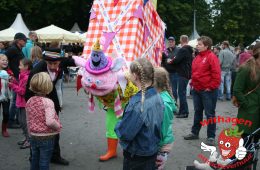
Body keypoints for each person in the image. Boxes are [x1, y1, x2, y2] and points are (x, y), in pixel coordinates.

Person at [25, 51, 75, 165]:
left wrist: (57, 105)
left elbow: (75, 60)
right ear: (45, 61)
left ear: (60, 62)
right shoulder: (36, 71)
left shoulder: (61, 64)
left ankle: (55, 156)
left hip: (51, 99)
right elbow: (28, 91)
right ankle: (34, 157)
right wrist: (34, 106)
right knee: (36, 131)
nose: (53, 66)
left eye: (55, 64)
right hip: (36, 99)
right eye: (50, 64)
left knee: (55, 133)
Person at [115, 58, 164, 170]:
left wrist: (118, 124)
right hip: (151, 149)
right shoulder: (156, 94)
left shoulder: (137, 103)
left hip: (137, 155)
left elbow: (125, 133)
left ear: (135, 75)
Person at [184, 36, 221, 146]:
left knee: (210, 114)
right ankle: (195, 133)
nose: (197, 46)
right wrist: (192, 84)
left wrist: (210, 87)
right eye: (198, 44)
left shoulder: (211, 57)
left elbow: (216, 75)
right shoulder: (197, 57)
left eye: (200, 44)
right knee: (197, 112)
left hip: (208, 91)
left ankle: (211, 136)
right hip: (197, 89)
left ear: (206, 46)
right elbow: (195, 72)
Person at [26, 72, 62, 170]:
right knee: (44, 161)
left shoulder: (29, 101)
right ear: (48, 86)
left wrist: (30, 133)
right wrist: (58, 126)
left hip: (34, 135)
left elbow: (28, 119)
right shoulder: (48, 102)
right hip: (46, 137)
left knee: (34, 159)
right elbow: (50, 121)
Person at [233, 42, 260, 146]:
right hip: (249, 111)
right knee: (245, 140)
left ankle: (251, 160)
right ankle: (242, 161)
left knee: (256, 142)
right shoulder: (246, 68)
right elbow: (237, 89)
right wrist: (246, 104)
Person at [154, 67, 177, 170]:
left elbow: (162, 127)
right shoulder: (161, 96)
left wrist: (156, 143)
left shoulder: (163, 103)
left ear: (154, 82)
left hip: (162, 144)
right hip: (162, 142)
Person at [9, 58, 32, 149]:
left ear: (26, 67)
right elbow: (20, 86)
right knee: (22, 122)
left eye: (20, 65)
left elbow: (23, 91)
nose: (19, 67)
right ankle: (27, 138)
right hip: (20, 103)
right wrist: (14, 81)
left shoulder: (26, 77)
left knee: (24, 122)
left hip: (24, 103)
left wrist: (12, 85)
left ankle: (29, 140)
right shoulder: (22, 75)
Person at [5, 32, 26, 128]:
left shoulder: (18, 49)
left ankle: (16, 120)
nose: (25, 42)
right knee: (15, 100)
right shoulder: (13, 49)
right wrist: (9, 71)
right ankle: (10, 121)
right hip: (16, 76)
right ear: (18, 40)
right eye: (24, 40)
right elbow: (4, 59)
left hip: (19, 76)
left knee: (17, 99)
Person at [171, 35, 193, 118]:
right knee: (182, 93)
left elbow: (176, 60)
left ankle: (184, 112)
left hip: (182, 73)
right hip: (186, 73)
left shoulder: (183, 49)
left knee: (181, 93)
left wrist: (171, 61)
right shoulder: (189, 49)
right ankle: (182, 111)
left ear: (181, 40)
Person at [161, 36, 179, 102]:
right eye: (169, 42)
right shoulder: (165, 51)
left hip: (175, 73)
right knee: (167, 89)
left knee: (174, 90)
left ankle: (175, 104)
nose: (171, 43)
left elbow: (179, 61)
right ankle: (169, 103)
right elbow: (162, 61)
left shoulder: (178, 50)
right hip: (167, 73)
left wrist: (172, 61)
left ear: (174, 42)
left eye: (172, 42)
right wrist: (166, 62)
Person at [0, 54, 12, 137]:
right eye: (3, 60)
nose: (5, 61)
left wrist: (11, 79)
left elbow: (12, 83)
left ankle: (4, 129)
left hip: (6, 96)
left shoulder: (9, 71)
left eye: (6, 60)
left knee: (6, 113)